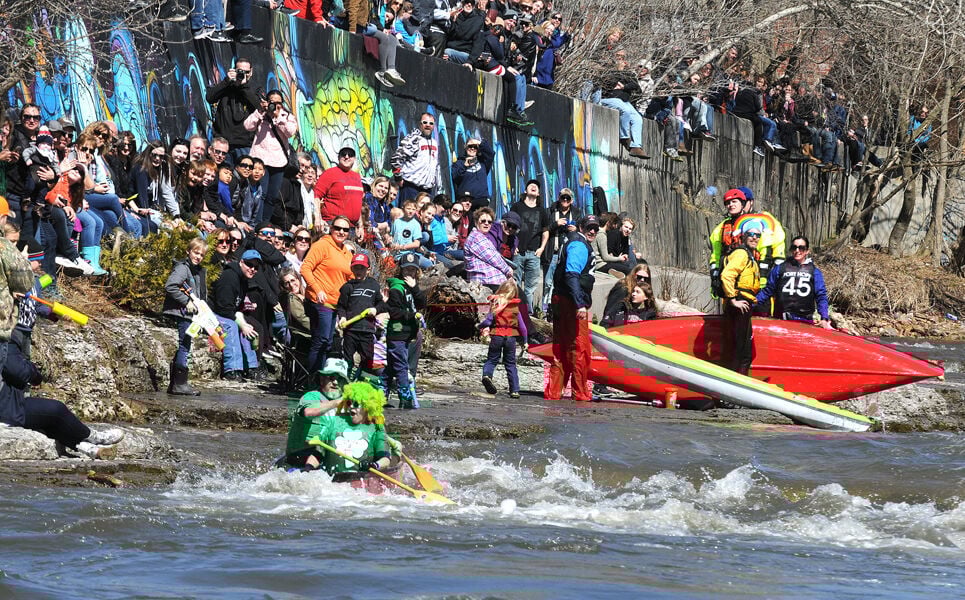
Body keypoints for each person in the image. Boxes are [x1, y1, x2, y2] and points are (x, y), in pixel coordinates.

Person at [545, 214, 599, 402]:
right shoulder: (578, 244)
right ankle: (580, 392)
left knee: (562, 346)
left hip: (561, 299)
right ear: (581, 228)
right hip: (571, 302)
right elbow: (571, 274)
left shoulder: (573, 241)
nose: (592, 231)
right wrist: (580, 304)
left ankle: (554, 392)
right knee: (579, 347)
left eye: (596, 228)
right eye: (589, 227)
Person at [287, 381, 391, 475]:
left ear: (368, 406)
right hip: (333, 481)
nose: (351, 407)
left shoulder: (377, 427)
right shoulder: (335, 421)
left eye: (356, 403)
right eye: (349, 402)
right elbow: (318, 454)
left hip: (361, 480)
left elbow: (385, 458)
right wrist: (308, 467)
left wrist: (374, 465)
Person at [301, 214, 354, 373]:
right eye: (337, 228)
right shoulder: (321, 245)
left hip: (335, 304)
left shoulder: (346, 251)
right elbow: (305, 268)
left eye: (345, 229)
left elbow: (350, 277)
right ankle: (313, 379)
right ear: (331, 229)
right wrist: (318, 289)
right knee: (322, 340)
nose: (341, 232)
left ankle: (321, 379)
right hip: (320, 301)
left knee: (328, 342)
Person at [282, 358, 353, 471]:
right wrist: (337, 403)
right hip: (300, 457)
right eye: (331, 377)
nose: (335, 382)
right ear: (321, 379)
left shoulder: (348, 405)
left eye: (339, 379)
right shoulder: (311, 396)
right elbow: (309, 412)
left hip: (327, 458)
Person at [163, 237, 208, 396]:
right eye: (196, 253)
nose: (198, 257)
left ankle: (177, 382)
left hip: (193, 314)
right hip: (183, 312)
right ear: (188, 251)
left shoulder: (197, 270)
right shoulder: (183, 268)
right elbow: (170, 286)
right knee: (184, 344)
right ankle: (179, 384)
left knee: (186, 343)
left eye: (201, 255)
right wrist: (186, 302)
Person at [755, 235, 833, 329]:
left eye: (801, 248)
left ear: (807, 251)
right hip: (780, 320)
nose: (797, 251)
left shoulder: (814, 272)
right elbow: (767, 291)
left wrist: (824, 318)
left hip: (805, 322)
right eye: (794, 247)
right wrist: (751, 304)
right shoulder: (780, 268)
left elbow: (821, 295)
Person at [244, 90, 298, 223]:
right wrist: (260, 111)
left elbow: (290, 132)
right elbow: (247, 126)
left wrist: (277, 116)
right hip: (260, 159)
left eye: (278, 102)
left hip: (278, 161)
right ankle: (256, 222)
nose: (275, 105)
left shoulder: (287, 116)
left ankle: (265, 222)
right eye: (272, 102)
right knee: (260, 193)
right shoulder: (261, 114)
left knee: (272, 196)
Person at [210, 248, 263, 380]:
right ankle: (232, 369)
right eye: (249, 265)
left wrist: (244, 325)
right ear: (241, 262)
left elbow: (237, 309)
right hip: (212, 314)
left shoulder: (244, 280)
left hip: (227, 313)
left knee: (248, 328)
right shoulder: (229, 277)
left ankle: (251, 367)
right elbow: (223, 308)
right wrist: (240, 324)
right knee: (232, 326)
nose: (253, 269)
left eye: (256, 267)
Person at [382, 253, 426, 409]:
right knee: (401, 365)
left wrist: (415, 288)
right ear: (401, 270)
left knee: (391, 366)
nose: (409, 273)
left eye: (412, 270)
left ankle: (381, 397)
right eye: (406, 269)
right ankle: (405, 398)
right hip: (397, 332)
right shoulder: (396, 288)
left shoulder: (412, 287)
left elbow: (422, 303)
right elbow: (394, 311)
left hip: (408, 332)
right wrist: (412, 315)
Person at [336, 253, 388, 379]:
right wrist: (342, 317)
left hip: (367, 329)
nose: (359, 271)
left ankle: (363, 384)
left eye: (362, 268)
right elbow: (341, 306)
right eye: (356, 268)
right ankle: (345, 383)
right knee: (348, 360)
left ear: (368, 269)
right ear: (352, 269)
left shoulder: (373, 285)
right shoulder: (347, 287)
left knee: (367, 360)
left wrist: (376, 310)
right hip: (351, 329)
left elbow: (381, 303)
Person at [720, 219, 762, 375]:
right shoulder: (741, 254)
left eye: (757, 235)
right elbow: (727, 275)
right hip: (739, 305)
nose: (754, 238)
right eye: (751, 234)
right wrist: (733, 300)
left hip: (745, 304)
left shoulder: (752, 257)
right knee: (740, 352)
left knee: (744, 352)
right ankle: (733, 387)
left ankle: (736, 384)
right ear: (744, 236)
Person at [478, 278, 527, 398]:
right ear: (514, 293)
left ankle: (487, 375)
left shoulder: (496, 305)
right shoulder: (515, 308)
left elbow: (488, 321)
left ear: (501, 290)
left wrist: (479, 326)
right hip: (511, 338)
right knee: (510, 364)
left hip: (497, 337)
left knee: (492, 360)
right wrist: (525, 341)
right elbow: (523, 327)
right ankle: (515, 390)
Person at [509, 179, 550, 311]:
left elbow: (545, 231)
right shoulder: (517, 207)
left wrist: (541, 248)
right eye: (530, 185)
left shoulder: (542, 211)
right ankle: (514, 313)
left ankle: (529, 314)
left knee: (530, 288)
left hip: (534, 254)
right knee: (514, 283)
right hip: (518, 252)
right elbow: (509, 228)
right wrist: (512, 245)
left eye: (537, 186)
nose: (534, 187)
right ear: (525, 190)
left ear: (538, 193)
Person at [708, 187, 752, 299]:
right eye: (728, 203)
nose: (731, 205)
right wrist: (715, 275)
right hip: (728, 276)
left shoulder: (753, 223)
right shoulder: (722, 227)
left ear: (742, 204)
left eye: (734, 201)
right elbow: (716, 254)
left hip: (747, 275)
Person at [391, 112, 442, 202]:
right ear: (420, 124)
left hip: (427, 190)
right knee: (409, 214)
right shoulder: (413, 139)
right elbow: (396, 158)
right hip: (411, 187)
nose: (428, 125)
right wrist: (398, 177)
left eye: (431, 123)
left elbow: (436, 165)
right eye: (425, 122)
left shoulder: (434, 142)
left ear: (434, 126)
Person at [464, 207, 513, 292]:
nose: (486, 223)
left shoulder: (483, 237)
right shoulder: (476, 238)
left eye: (489, 222)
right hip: (486, 282)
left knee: (519, 298)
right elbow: (493, 258)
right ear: (476, 222)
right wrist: (507, 270)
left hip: (493, 281)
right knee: (521, 298)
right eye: (483, 221)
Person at [315, 146, 365, 226]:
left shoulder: (357, 177)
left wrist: (360, 225)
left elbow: (357, 203)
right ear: (338, 157)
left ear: (355, 159)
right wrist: (318, 219)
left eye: (350, 154)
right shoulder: (329, 173)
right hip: (333, 225)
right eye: (343, 154)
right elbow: (316, 196)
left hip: (352, 227)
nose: (346, 157)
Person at [450, 137, 494, 211]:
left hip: (482, 200)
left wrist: (479, 143)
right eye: (470, 146)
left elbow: (491, 153)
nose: (472, 149)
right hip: (466, 201)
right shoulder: (459, 163)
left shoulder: (482, 162)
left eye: (475, 147)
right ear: (465, 147)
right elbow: (455, 176)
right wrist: (465, 166)